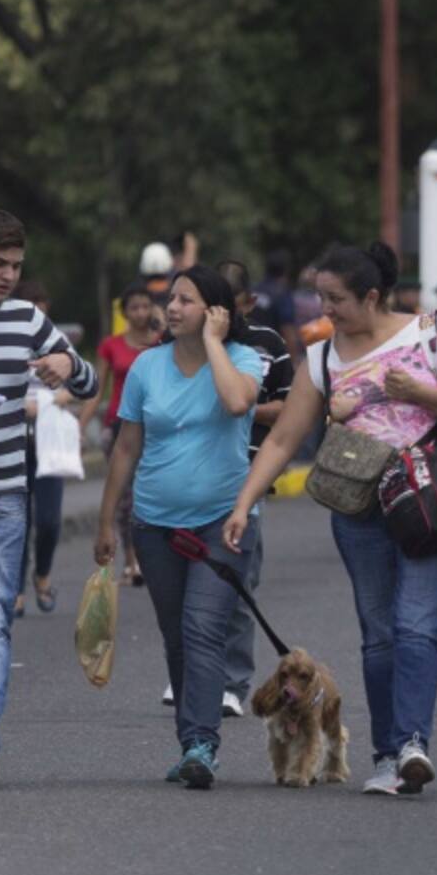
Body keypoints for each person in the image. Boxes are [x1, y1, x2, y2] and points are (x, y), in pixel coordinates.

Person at [221, 242, 437, 797]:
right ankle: (387, 756)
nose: (326, 309)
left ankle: (413, 742)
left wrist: (419, 391)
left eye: (336, 299)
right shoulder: (321, 357)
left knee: (416, 627)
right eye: (321, 297)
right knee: (379, 636)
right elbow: (283, 439)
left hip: (431, 506)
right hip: (360, 513)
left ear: (371, 296)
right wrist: (243, 504)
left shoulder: (430, 333)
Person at [94, 264, 264, 789]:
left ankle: (201, 744)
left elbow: (238, 402)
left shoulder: (242, 358)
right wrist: (106, 523)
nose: (171, 308)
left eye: (186, 300)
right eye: (171, 298)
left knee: (202, 628)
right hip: (155, 525)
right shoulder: (147, 367)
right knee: (176, 636)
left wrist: (214, 341)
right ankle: (190, 737)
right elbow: (127, 447)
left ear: (215, 312)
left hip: (223, 522)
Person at [0, 209, 98, 790]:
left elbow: (87, 382)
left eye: (16, 265)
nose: (8, 276)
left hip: (3, 499)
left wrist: (67, 363)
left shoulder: (27, 320)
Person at [162, 260, 292, 718]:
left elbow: (284, 409)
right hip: (182, 484)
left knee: (234, 583)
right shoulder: (175, 348)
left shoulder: (261, 347)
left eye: (230, 307)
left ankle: (233, 681)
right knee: (183, 587)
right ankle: (194, 673)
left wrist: (240, 402)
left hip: (246, 476)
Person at [79, 283, 155, 585]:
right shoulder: (112, 345)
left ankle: (153, 557)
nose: (140, 313)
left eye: (145, 306)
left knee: (148, 494)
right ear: (124, 313)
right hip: (118, 425)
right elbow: (96, 390)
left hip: (154, 426)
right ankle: (132, 560)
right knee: (125, 496)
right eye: (134, 307)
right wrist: (80, 424)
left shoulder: (161, 342)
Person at [12, 281, 78, 618]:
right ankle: (17, 589)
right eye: (30, 304)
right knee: (16, 519)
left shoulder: (58, 344)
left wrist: (46, 403)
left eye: (42, 304)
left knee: (49, 520)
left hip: (49, 439)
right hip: (14, 440)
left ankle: (43, 574)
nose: (38, 311)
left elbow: (78, 388)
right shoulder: (7, 342)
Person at [250, 249, 301, 360]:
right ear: (286, 271)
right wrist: (294, 362)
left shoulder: (253, 291)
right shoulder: (282, 294)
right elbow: (288, 330)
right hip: (271, 355)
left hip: (248, 352)